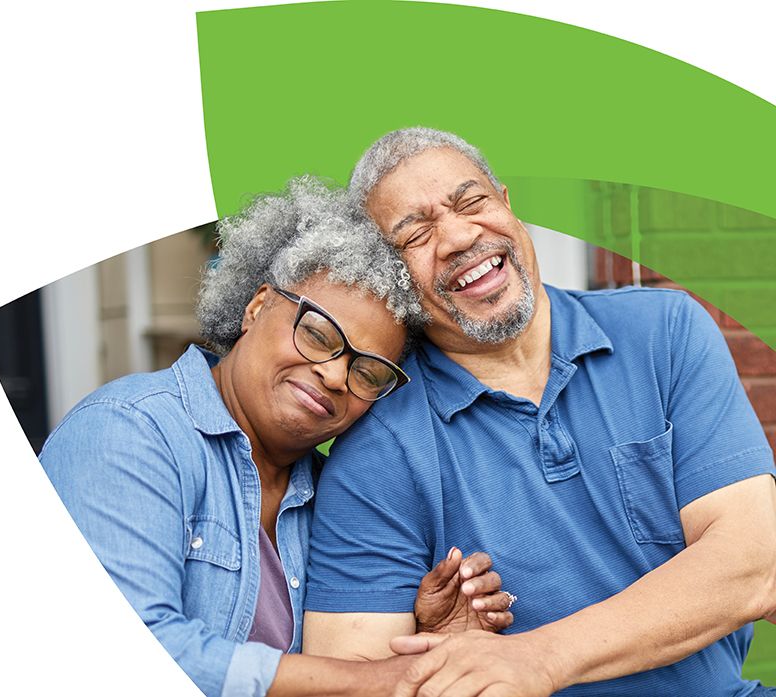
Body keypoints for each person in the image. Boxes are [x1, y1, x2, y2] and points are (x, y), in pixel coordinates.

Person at [303, 129, 776, 696]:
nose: (457, 236)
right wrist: (435, 664)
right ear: (392, 281)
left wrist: (538, 659)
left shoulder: (664, 333)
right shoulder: (377, 448)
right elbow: (349, 678)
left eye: (471, 201)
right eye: (416, 235)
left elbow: (752, 562)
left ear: (506, 202)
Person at [39, 177, 516, 697]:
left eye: (368, 371)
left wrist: (414, 636)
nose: (335, 376)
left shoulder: (335, 496)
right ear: (257, 305)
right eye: (317, 334)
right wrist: (377, 679)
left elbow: (323, 670)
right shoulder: (128, 431)